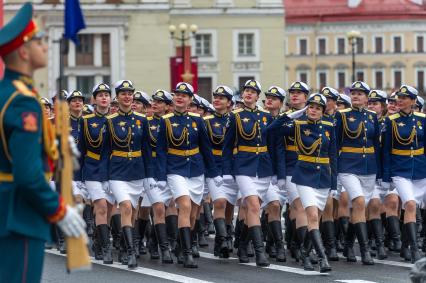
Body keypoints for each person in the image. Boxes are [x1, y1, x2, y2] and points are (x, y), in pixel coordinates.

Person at [0, 3, 86, 282]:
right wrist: (59, 209)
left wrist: (57, 149)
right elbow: (26, 173)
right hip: (19, 215)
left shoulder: (10, 93)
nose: (46, 47)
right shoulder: (23, 101)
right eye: (39, 41)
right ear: (24, 51)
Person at [156, 82, 222, 268]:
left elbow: (206, 149)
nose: (180, 97)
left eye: (184, 95)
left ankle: (180, 244)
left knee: (193, 213)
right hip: (175, 169)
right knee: (184, 205)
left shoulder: (197, 120)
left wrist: (213, 173)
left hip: (195, 169)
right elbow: (161, 151)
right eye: (177, 94)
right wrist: (161, 177)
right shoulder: (165, 120)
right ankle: (187, 253)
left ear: (190, 99)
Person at [268, 93, 335, 273]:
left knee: (316, 219)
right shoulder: (297, 125)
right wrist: (289, 116)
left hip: (323, 178)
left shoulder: (330, 125)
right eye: (311, 107)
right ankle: (322, 258)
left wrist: (334, 184)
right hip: (303, 175)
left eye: (318, 108)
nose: (313, 110)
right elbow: (270, 130)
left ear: (323, 111)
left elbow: (333, 156)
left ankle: (305, 254)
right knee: (311, 216)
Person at [222, 79, 272, 267]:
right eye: (246, 91)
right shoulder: (235, 116)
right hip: (243, 166)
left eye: (253, 91)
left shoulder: (266, 116)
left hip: (264, 167)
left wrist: (275, 171)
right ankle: (260, 252)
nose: (248, 94)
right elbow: (227, 147)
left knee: (254, 208)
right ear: (242, 95)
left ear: (258, 96)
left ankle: (243, 244)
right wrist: (227, 172)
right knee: (252, 205)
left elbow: (273, 145)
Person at [106, 80, 155, 268]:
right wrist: (104, 177)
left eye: (130, 93)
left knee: (133, 212)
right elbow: (104, 152)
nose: (127, 97)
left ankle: (126, 247)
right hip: (117, 171)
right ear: (117, 97)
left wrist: (149, 175)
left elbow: (146, 148)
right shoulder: (110, 121)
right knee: (125, 207)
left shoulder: (141, 120)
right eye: (123, 93)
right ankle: (132, 252)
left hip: (137, 170)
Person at [335, 81, 380, 265]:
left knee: (360, 207)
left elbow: (375, 144)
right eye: (353, 93)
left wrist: (380, 171)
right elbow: (335, 143)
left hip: (368, 167)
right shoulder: (342, 115)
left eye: (360, 94)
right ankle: (364, 249)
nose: (355, 96)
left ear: (367, 98)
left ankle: (347, 244)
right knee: (359, 202)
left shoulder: (371, 116)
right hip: (347, 166)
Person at [382, 85, 426, 263]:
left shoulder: (423, 119)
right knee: (409, 204)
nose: (399, 100)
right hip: (400, 170)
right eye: (399, 97)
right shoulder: (390, 121)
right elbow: (385, 151)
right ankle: (414, 248)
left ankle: (406, 246)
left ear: (413, 101)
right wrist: (386, 178)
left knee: (414, 207)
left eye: (404, 97)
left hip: (421, 169)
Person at [79, 83, 115, 264]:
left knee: (109, 209)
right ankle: (106, 248)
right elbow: (81, 149)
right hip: (92, 168)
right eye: (100, 95)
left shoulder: (116, 119)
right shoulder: (85, 121)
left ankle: (100, 243)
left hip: (113, 169)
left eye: (107, 95)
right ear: (94, 99)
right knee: (100, 206)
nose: (103, 98)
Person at [204, 85, 238, 259]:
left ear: (229, 103)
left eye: (222, 98)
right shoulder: (206, 120)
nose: (217, 100)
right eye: (215, 97)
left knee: (230, 204)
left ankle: (224, 236)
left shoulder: (236, 119)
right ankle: (223, 239)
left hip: (232, 165)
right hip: (214, 165)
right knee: (219, 202)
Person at [143, 89, 175, 264]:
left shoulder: (171, 122)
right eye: (153, 101)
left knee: (170, 206)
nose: (154, 104)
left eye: (160, 102)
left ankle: (155, 241)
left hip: (169, 168)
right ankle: (164, 249)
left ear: (167, 106)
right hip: (151, 169)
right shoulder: (145, 122)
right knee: (158, 208)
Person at [262, 85, 287, 262]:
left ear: (280, 103)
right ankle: (279, 246)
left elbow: (280, 149)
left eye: (274, 98)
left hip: (280, 169)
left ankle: (271, 243)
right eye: (268, 97)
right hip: (260, 168)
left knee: (274, 207)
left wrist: (281, 174)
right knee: (274, 206)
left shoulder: (286, 120)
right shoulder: (259, 118)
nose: (269, 100)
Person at [366, 89, 389, 260]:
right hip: (364, 168)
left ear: (383, 106)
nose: (372, 106)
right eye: (370, 103)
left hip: (380, 170)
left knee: (375, 206)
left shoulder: (387, 123)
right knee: (367, 206)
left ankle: (378, 242)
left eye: (376, 103)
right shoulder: (365, 121)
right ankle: (369, 242)